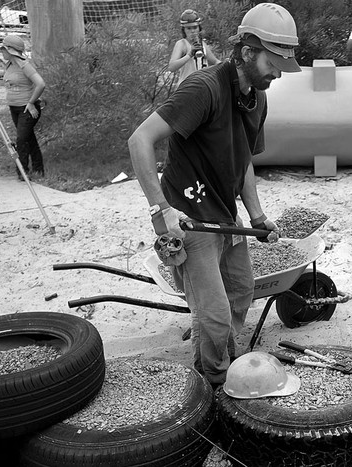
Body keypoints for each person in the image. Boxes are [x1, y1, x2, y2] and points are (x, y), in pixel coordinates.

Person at [128, 3, 301, 388]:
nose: (277, 73)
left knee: (241, 293)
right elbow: (139, 140)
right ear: (247, 51)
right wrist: (162, 210)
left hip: (224, 216)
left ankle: (215, 348)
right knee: (217, 313)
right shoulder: (203, 88)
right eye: (273, 62)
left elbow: (243, 161)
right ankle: (215, 380)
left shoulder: (258, 97)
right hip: (187, 216)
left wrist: (256, 216)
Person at [0, 35, 46, 180]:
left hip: (27, 108)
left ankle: (22, 172)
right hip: (15, 108)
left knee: (21, 139)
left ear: (10, 50)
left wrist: (31, 102)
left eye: (3, 49)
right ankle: (38, 170)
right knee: (29, 138)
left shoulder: (24, 65)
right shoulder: (9, 65)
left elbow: (40, 84)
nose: (1, 52)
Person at [168, 9, 220, 85]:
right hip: (186, 88)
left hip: (202, 87)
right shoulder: (181, 44)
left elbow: (215, 62)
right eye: (188, 28)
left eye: (195, 27)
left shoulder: (202, 44)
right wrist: (189, 55)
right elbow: (171, 67)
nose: (192, 31)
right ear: (184, 30)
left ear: (199, 28)